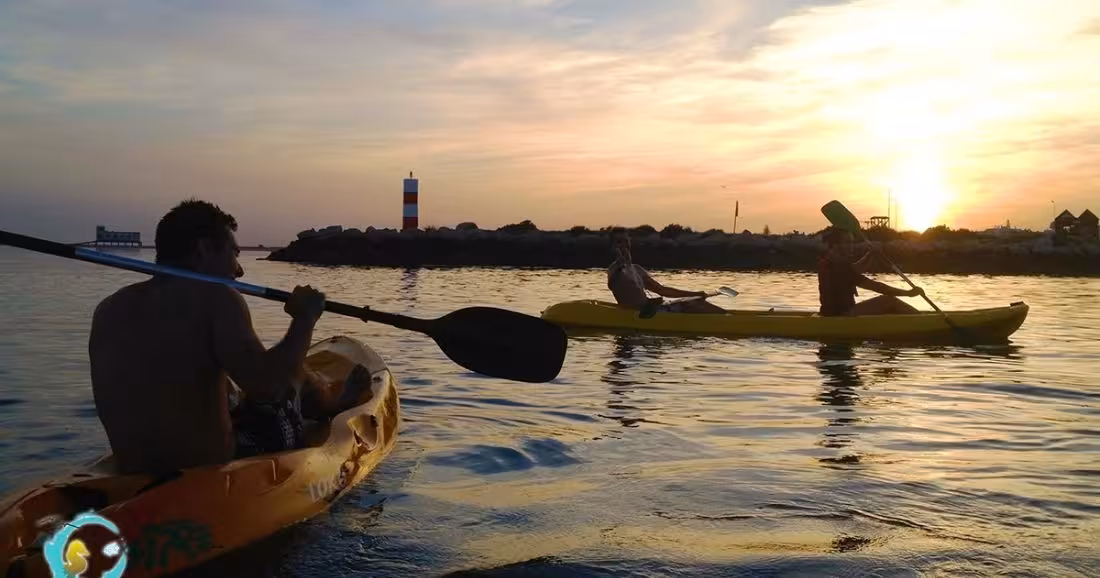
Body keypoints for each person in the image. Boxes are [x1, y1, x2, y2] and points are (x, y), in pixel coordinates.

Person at [89, 199, 349, 475]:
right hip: (205, 469)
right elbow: (269, 388)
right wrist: (304, 320)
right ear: (204, 249)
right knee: (292, 379)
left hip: (133, 471)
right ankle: (333, 407)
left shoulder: (109, 308)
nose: (239, 270)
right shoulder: (217, 297)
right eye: (234, 254)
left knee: (232, 388)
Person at [606, 230, 725, 314]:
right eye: (619, 242)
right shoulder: (614, 269)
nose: (624, 245)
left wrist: (694, 294)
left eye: (626, 241)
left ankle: (728, 317)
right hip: (638, 313)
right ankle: (726, 322)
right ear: (612, 247)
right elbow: (612, 282)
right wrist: (621, 263)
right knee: (690, 305)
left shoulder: (637, 269)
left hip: (653, 309)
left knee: (696, 301)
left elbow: (662, 290)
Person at [818, 226, 924, 316]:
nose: (852, 247)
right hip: (842, 315)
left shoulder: (829, 262)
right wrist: (908, 293)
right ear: (835, 245)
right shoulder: (841, 267)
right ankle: (921, 322)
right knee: (889, 300)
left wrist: (871, 254)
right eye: (847, 242)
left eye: (852, 242)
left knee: (886, 306)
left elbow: (856, 269)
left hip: (829, 314)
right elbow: (876, 287)